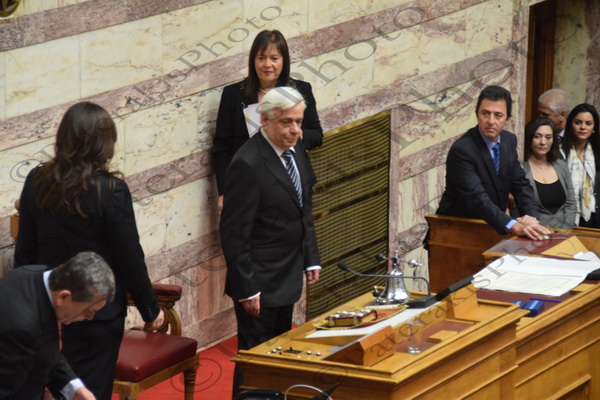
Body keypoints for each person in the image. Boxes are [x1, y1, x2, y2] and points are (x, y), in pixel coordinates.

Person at [14, 102, 164, 400]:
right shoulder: (111, 189)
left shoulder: (36, 180)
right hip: (97, 313)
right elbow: (129, 256)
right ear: (103, 143)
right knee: (90, 391)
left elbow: (26, 250)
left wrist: (27, 304)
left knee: (51, 388)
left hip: (50, 307)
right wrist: (149, 307)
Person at [219, 86, 321, 398]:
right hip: (259, 281)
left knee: (279, 354)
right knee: (255, 359)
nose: (295, 130)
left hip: (287, 273)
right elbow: (234, 232)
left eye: (299, 122)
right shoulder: (247, 163)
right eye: (287, 122)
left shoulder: (295, 147)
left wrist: (310, 256)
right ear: (265, 120)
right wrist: (247, 288)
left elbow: (304, 207)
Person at [213, 29, 323, 211]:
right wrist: (224, 191)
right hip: (247, 182)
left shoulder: (300, 90)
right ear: (253, 60)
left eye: (274, 58)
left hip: (291, 180)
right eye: (261, 58)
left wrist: (294, 133)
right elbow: (222, 147)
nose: (267, 65)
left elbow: (317, 136)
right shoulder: (233, 94)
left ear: (284, 61)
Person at [436, 85, 550, 239]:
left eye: (498, 115)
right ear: (477, 114)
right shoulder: (462, 150)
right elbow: (477, 198)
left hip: (493, 229)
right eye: (485, 113)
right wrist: (513, 225)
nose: (491, 121)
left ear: (507, 119)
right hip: (456, 231)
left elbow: (520, 183)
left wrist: (531, 217)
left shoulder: (509, 140)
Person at [0, 252, 115, 400]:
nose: (89, 318)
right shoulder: (23, 329)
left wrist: (75, 388)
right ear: (64, 297)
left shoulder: (36, 274)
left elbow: (45, 349)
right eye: (88, 312)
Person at [522, 118, 576, 229]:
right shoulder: (521, 169)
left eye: (548, 137)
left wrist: (564, 231)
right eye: (537, 136)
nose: (543, 142)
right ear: (529, 138)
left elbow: (571, 204)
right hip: (535, 232)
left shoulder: (561, 165)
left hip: (564, 232)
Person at [561, 103, 600, 227]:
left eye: (588, 123)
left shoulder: (597, 153)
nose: (583, 127)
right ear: (570, 125)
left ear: (594, 128)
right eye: (578, 122)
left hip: (593, 215)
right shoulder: (559, 151)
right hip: (563, 214)